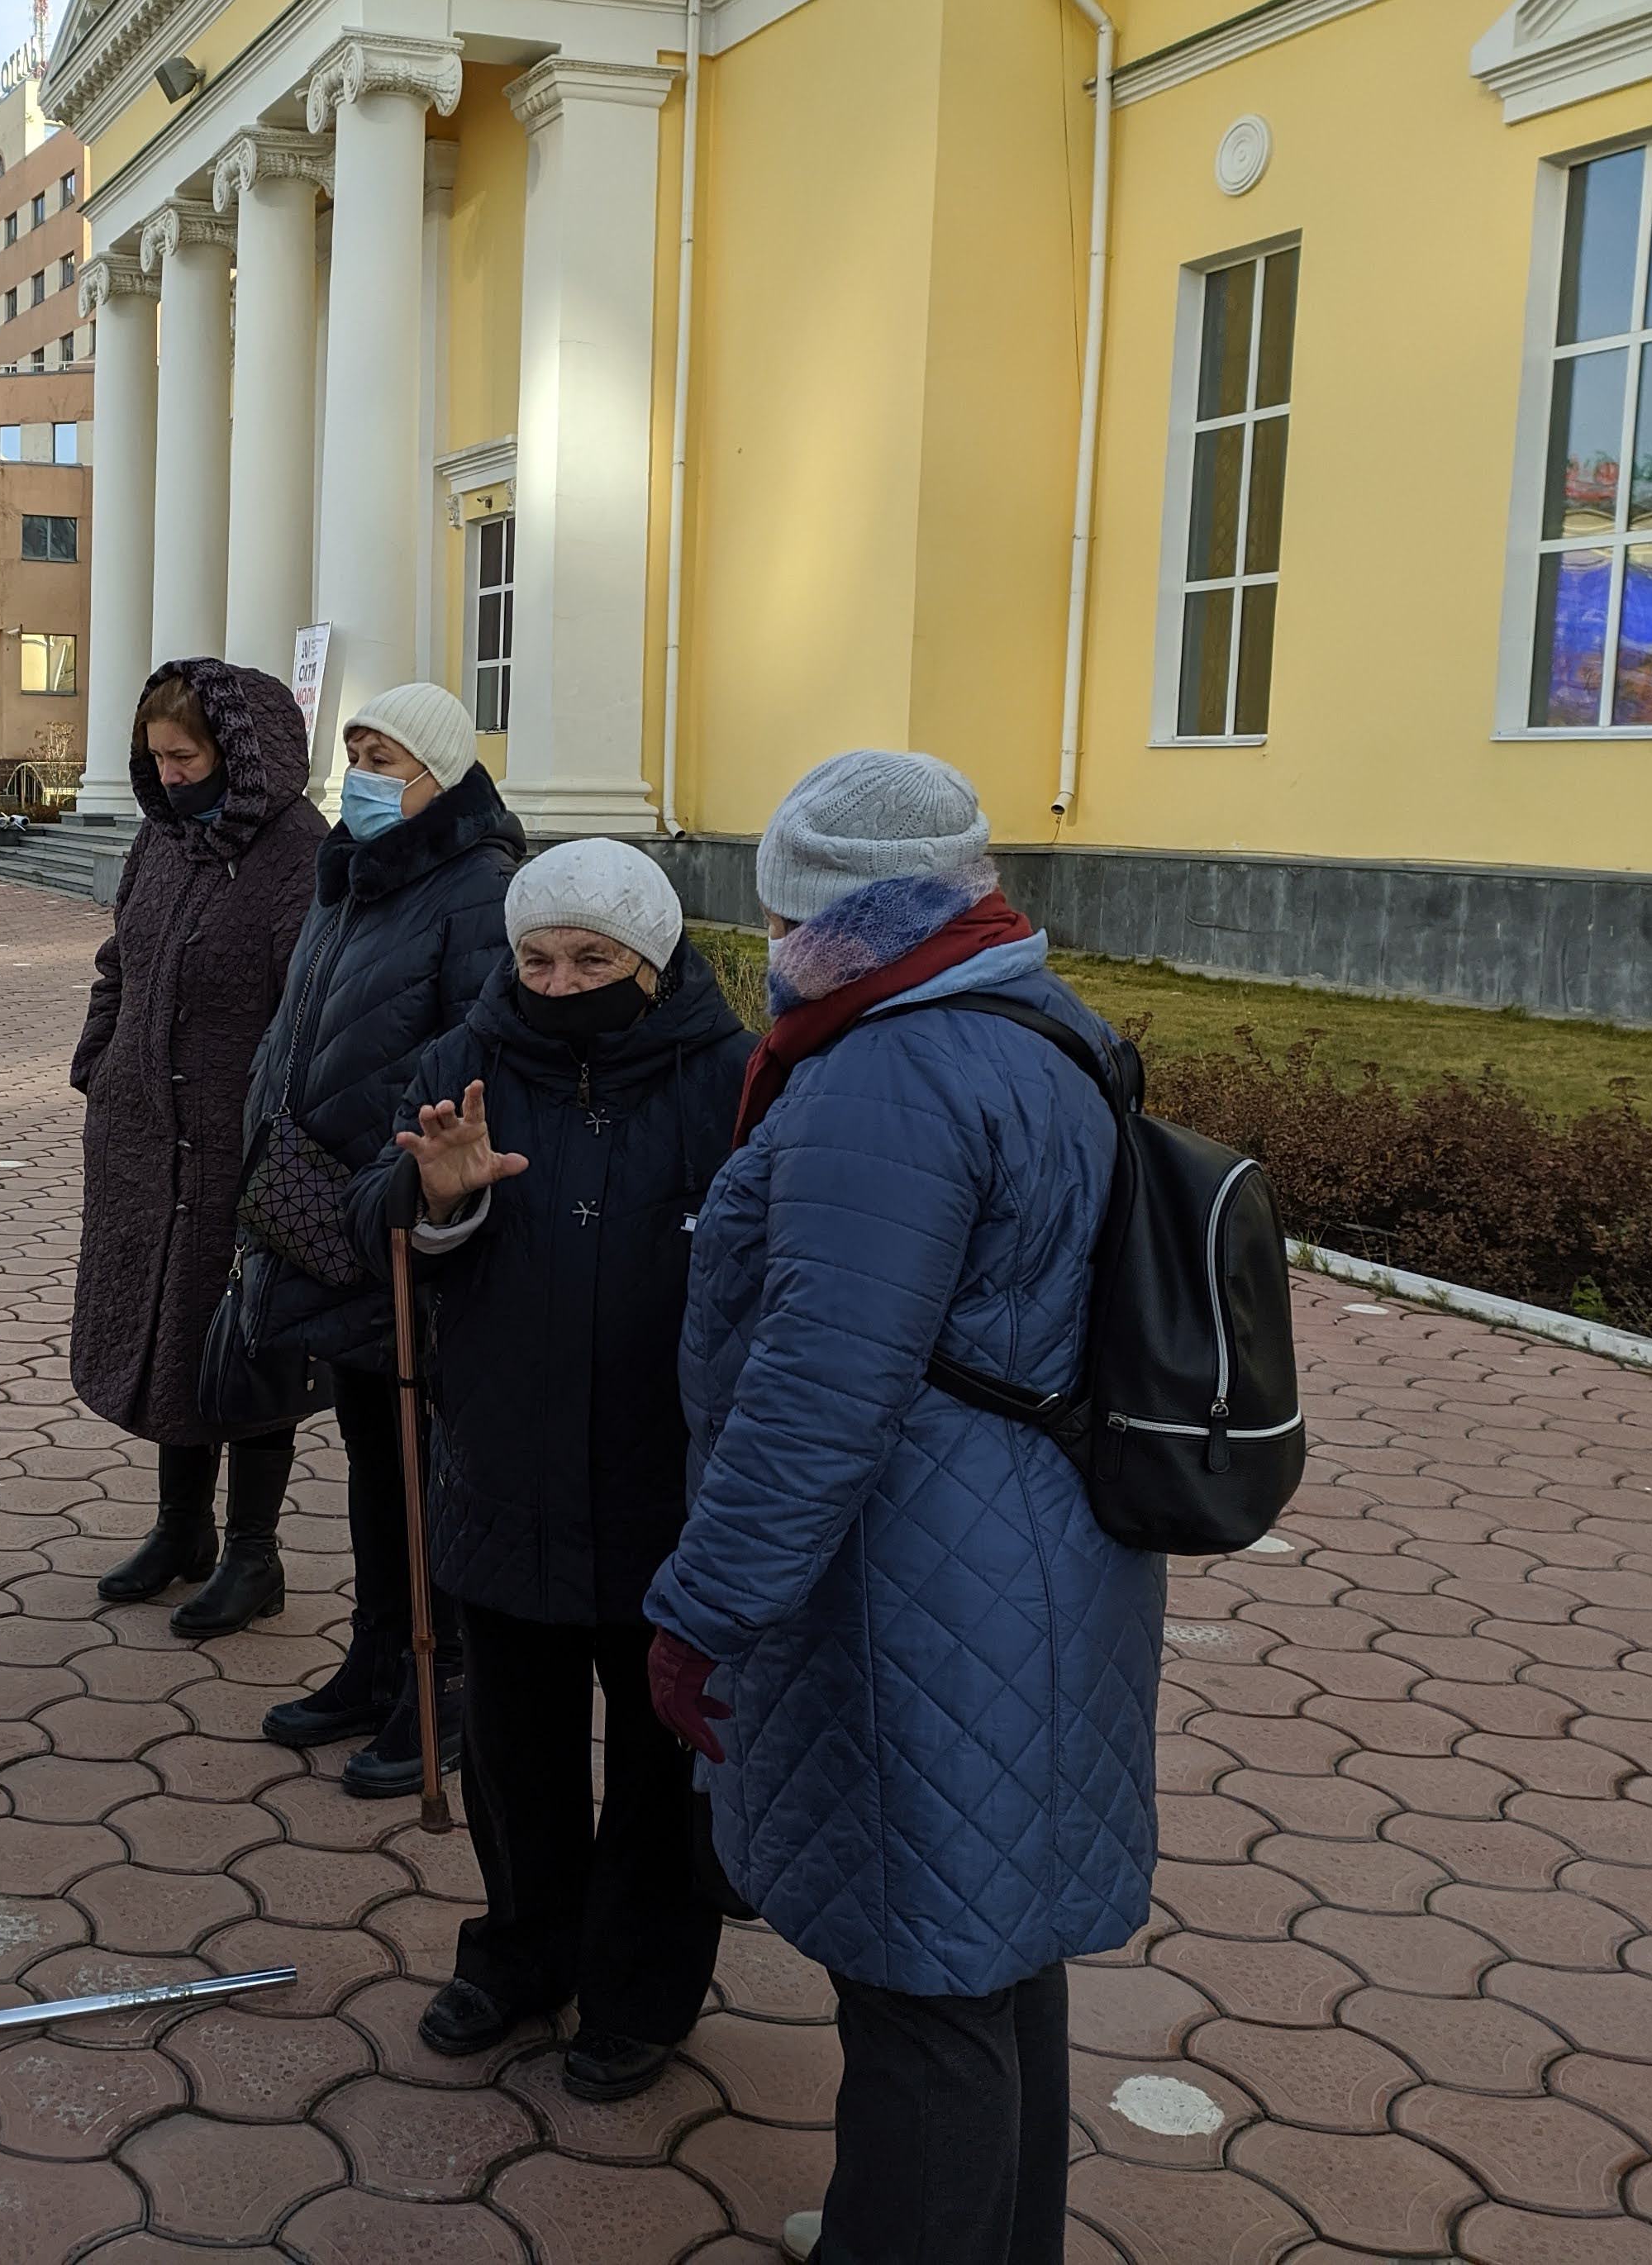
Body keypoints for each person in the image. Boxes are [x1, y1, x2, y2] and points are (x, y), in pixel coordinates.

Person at [636, 751, 1159, 2265]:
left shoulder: (888, 1071)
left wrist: (700, 1611)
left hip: (915, 1577)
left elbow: (816, 1389)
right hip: (1037, 1546)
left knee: (922, 1983)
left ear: (822, 905)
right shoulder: (1026, 1013)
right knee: (992, 1946)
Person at [345, 840, 752, 2099]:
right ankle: (520, 1952)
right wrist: (439, 1200)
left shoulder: (734, 1078)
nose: (561, 981)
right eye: (537, 957)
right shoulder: (460, 1064)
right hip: (502, 1470)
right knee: (515, 1761)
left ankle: (640, 1987)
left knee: (655, 1765)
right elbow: (377, 1219)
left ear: (654, 956)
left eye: (593, 958)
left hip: (666, 1490)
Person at [236, 684, 521, 1795]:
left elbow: (472, 1053)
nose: (357, 766)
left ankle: (436, 1682)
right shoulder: (352, 872)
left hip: (403, 1222)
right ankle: (371, 1655)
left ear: (438, 773)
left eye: (381, 750)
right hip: (330, 1219)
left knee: (420, 1464)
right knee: (367, 1451)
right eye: (351, 745)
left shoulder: (475, 885)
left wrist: (395, 1177)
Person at [73, 660, 326, 1637]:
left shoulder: (296, 852)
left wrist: (274, 1132)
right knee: (169, 1335)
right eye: (157, 759)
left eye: (185, 756)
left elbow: (307, 1014)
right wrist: (98, 1069)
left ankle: (254, 1553)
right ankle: (183, 1530)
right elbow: (117, 965)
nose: (171, 776)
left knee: (247, 1341)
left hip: (237, 1148)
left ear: (237, 749)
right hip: (142, 1141)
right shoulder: (162, 839)